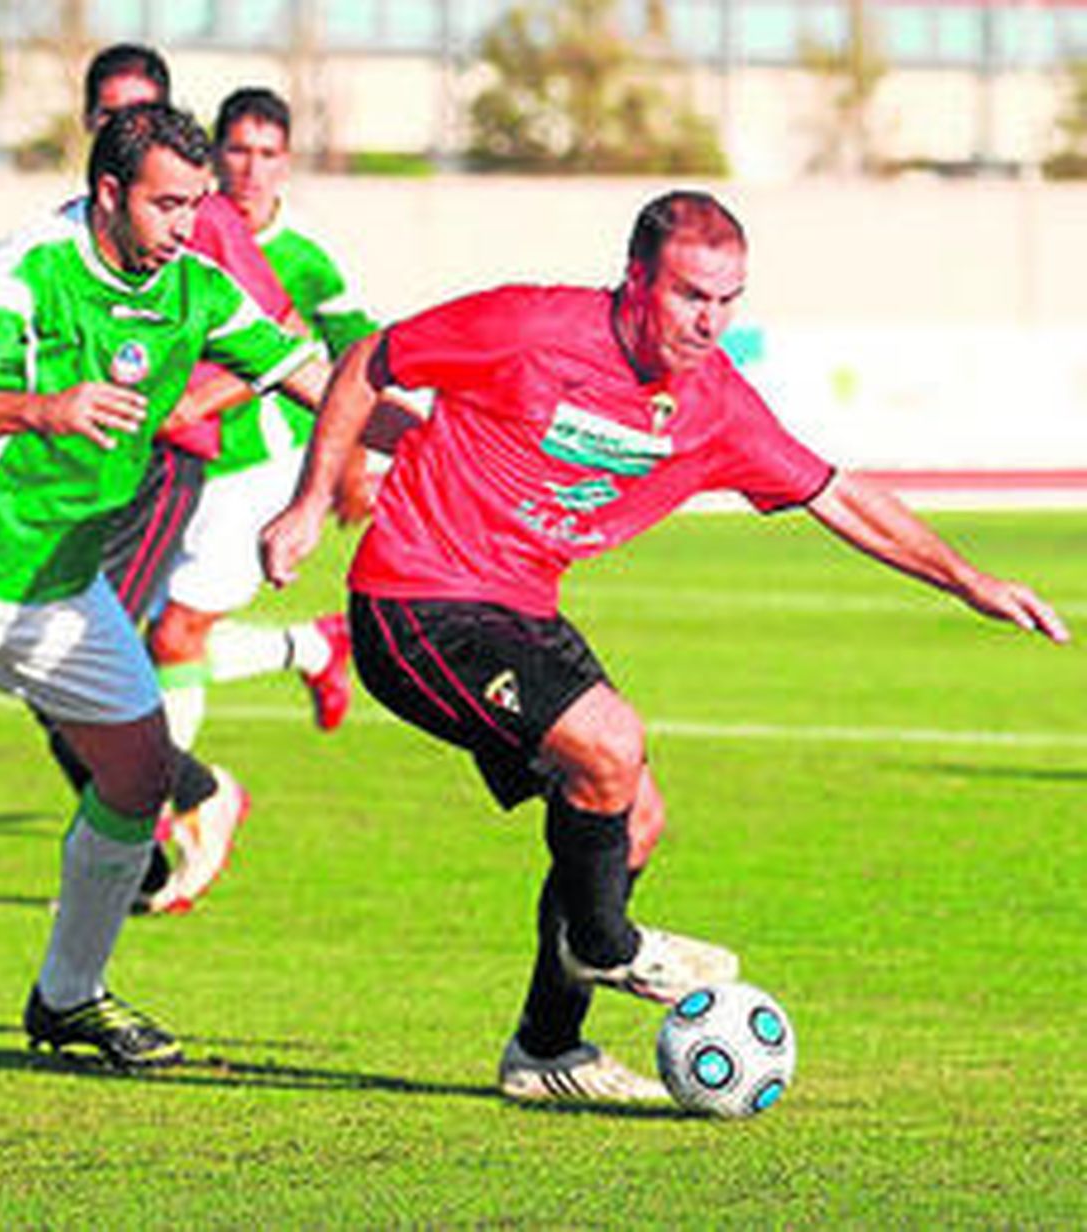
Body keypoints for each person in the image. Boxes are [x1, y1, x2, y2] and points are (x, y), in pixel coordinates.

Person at [262, 189, 1070, 1106]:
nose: (709, 321)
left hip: (523, 612)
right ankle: (606, 944)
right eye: (691, 295)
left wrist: (970, 581)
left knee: (632, 817)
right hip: (416, 598)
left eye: (728, 299)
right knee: (609, 745)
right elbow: (372, 360)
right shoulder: (531, 326)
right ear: (637, 280)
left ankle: (547, 1050)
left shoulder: (715, 403)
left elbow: (836, 494)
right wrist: (309, 502)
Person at [0, 101, 328, 1093]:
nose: (186, 224)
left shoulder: (195, 285)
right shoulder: (24, 268)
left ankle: (69, 994)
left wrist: (425, 445)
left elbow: (312, 376)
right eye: (167, 205)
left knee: (141, 774)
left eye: (196, 204)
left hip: (56, 580)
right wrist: (41, 407)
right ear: (108, 193)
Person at [43, 45, 331, 915]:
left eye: (139, 113)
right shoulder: (64, 230)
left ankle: (154, 828)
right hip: (90, 469)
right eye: (108, 115)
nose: (121, 126)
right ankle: (185, 797)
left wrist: (195, 402)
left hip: (170, 467)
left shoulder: (202, 222)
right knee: (67, 669)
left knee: (87, 654)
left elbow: (289, 341)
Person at [149, 86, 384, 753]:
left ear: (287, 161)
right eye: (238, 150)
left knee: (173, 635)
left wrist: (351, 465)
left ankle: (167, 796)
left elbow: (357, 360)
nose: (252, 168)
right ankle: (312, 646)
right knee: (152, 634)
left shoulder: (306, 256)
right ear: (213, 154)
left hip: (259, 464)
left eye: (268, 153)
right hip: (175, 462)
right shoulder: (179, 228)